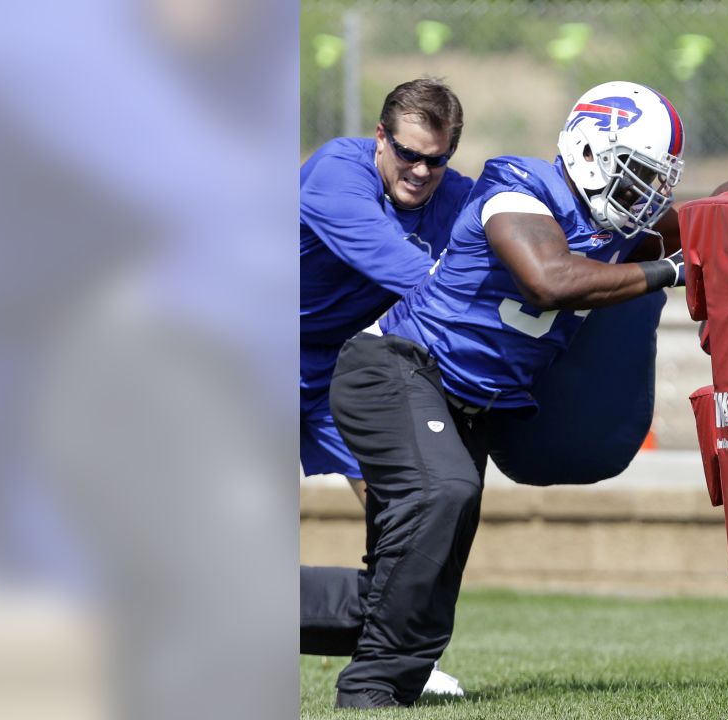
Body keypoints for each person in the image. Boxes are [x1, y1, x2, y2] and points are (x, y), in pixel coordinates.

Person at [322, 80, 690, 709]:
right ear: (589, 153)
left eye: (653, 182)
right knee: (447, 492)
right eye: (633, 177)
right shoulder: (517, 190)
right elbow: (549, 280)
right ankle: (367, 687)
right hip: (392, 369)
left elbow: (723, 212)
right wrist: (672, 270)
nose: (642, 197)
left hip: (459, 403)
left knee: (427, 584)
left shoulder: (607, 232)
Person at [299, 78, 472, 696]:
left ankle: (399, 658)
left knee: (409, 503)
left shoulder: (456, 197)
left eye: (438, 159)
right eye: (408, 154)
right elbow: (402, 267)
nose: (423, 171)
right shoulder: (336, 175)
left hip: (341, 363)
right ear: (379, 138)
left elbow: (502, 246)